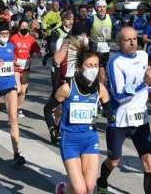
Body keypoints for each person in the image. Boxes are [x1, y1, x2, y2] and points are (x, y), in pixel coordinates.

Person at [97, 26, 151, 194]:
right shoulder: (115, 62)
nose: (132, 42)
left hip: (140, 119)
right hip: (120, 120)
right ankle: (101, 181)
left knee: (149, 162)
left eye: (135, 39)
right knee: (114, 161)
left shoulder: (144, 56)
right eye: (127, 40)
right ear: (119, 43)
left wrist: (150, 92)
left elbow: (142, 81)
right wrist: (145, 83)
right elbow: (119, 95)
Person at [44, 51, 111, 194]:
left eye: (96, 65)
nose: (93, 69)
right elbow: (47, 109)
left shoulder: (100, 89)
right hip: (69, 140)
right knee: (80, 190)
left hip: (90, 139)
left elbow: (109, 111)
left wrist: (113, 119)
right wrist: (52, 129)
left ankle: (64, 190)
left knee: (89, 187)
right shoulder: (67, 88)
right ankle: (63, 190)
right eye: (89, 65)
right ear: (80, 67)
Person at [0, 21, 26, 166]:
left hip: (10, 86)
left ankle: (17, 153)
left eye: (7, 34)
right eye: (2, 34)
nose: (5, 36)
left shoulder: (11, 46)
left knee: (13, 119)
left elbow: (13, 64)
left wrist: (18, 81)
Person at [10, 19, 41, 117]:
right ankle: (13, 107)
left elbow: (37, 51)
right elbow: (9, 50)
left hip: (26, 67)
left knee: (23, 90)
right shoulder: (14, 38)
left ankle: (19, 108)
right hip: (16, 66)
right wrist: (14, 60)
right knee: (18, 89)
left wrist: (38, 55)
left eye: (26, 26)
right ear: (19, 27)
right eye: (22, 26)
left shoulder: (31, 39)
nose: (24, 28)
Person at [88, 0, 116, 85]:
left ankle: (100, 90)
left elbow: (116, 32)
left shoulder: (111, 18)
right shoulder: (91, 19)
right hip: (94, 48)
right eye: (99, 7)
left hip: (106, 49)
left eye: (104, 7)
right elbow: (86, 33)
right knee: (94, 72)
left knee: (103, 73)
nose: (102, 9)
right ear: (96, 9)